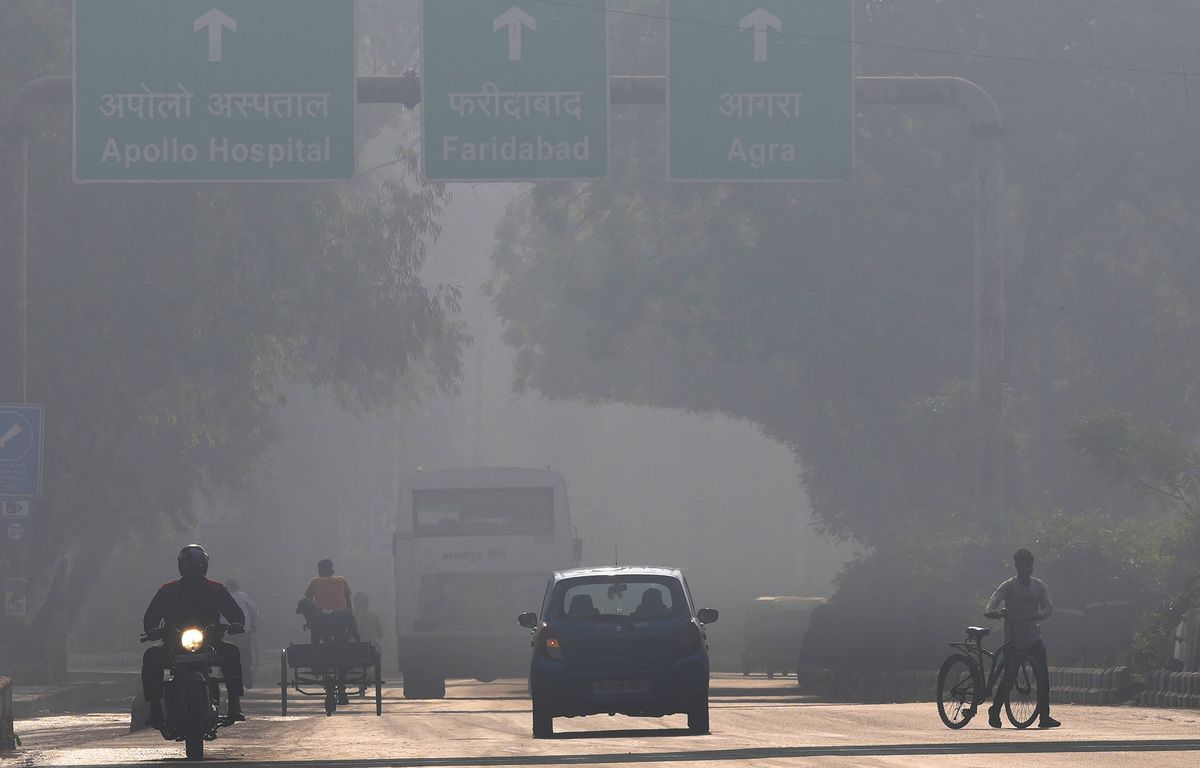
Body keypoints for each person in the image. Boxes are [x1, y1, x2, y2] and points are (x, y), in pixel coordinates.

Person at [141, 545, 246, 728]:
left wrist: (236, 624)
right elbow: (151, 617)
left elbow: (235, 614)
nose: (194, 569)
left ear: (204, 566)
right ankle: (155, 707)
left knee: (231, 652)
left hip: (210, 641)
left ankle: (235, 704)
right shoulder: (168, 590)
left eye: (198, 565)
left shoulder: (216, 589)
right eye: (190, 565)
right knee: (151, 656)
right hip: (174, 641)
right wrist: (152, 629)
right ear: (182, 566)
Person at [984, 548, 1061, 729]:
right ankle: (995, 710)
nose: (1026, 568)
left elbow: (1048, 608)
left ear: (1032, 566)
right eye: (1022, 565)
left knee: (1043, 677)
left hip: (1033, 637)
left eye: (1028, 564)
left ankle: (1044, 716)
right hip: (1013, 638)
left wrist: (1038, 616)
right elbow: (991, 604)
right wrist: (995, 613)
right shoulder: (1008, 586)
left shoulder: (1039, 586)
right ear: (1017, 566)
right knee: (1009, 677)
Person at [224, 578, 259, 688]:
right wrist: (253, 624)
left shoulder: (223, 596)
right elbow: (253, 612)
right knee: (245, 655)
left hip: (226, 632)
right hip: (243, 630)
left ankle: (227, 675)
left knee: (226, 656)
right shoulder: (243, 596)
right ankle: (247, 679)